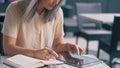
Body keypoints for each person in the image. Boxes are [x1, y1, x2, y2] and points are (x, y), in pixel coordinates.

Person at [2, 0, 84, 60]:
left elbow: (57, 45)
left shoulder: (58, 13)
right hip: (19, 64)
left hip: (44, 64)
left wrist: (67, 47)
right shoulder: (14, 8)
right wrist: (34, 53)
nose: (57, 2)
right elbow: (8, 48)